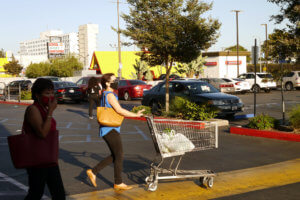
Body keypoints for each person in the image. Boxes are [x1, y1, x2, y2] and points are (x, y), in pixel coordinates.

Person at [86, 73, 144, 190]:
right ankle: (118, 182)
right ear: (107, 83)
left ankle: (93, 171)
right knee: (119, 155)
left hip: (108, 128)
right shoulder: (110, 95)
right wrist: (135, 115)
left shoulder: (106, 93)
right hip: (110, 128)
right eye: (114, 80)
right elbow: (119, 110)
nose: (116, 82)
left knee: (116, 155)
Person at [24, 78, 65, 200]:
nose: (51, 96)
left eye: (52, 92)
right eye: (47, 93)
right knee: (36, 193)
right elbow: (42, 133)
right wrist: (51, 112)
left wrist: (49, 111)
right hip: (37, 159)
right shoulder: (33, 109)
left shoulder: (44, 109)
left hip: (49, 157)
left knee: (59, 194)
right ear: (37, 95)